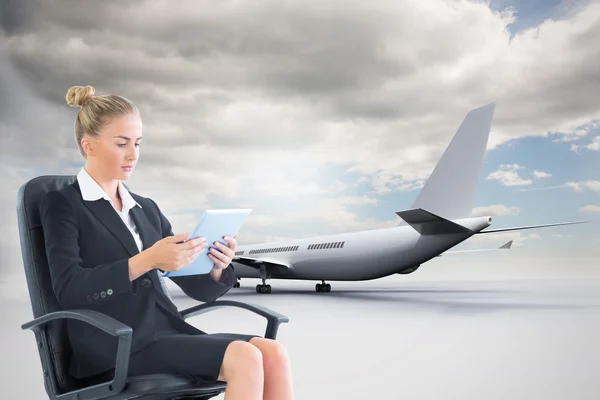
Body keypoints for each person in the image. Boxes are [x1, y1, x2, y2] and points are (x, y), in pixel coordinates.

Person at [38, 85, 294, 400]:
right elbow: (68, 288)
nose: (133, 155)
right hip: (113, 343)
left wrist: (216, 266)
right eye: (121, 144)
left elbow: (195, 287)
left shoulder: (145, 208)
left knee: (274, 354)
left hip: (164, 332)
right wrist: (147, 260)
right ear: (89, 145)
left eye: (137, 143)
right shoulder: (63, 203)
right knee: (245, 357)